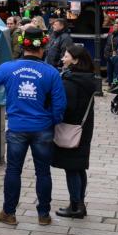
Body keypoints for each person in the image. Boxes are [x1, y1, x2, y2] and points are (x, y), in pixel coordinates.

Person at [0, 25, 66, 225]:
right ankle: (43, 215)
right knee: (43, 172)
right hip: (42, 127)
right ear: (43, 47)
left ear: (22, 45)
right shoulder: (51, 72)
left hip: (18, 127)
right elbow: (59, 105)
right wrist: (51, 121)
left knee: (13, 170)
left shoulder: (9, 67)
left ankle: (9, 212)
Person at [52, 44, 96, 219]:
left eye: (67, 56)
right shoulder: (86, 78)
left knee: (72, 168)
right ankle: (79, 204)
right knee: (78, 167)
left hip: (71, 129)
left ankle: (75, 206)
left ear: (76, 60)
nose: (63, 59)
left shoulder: (71, 82)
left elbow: (66, 107)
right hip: (83, 129)